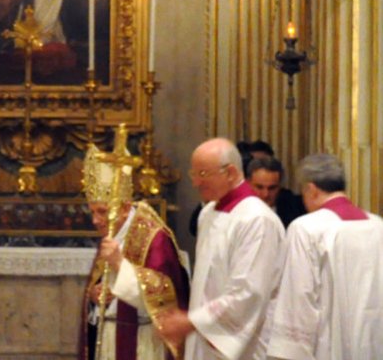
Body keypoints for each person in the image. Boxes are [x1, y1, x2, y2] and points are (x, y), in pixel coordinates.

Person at [159, 138, 285, 359]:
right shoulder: (208, 213)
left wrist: (193, 321)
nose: (196, 182)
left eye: (203, 174)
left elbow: (248, 291)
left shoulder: (256, 219)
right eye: (194, 174)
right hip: (203, 335)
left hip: (240, 344)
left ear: (230, 172)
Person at [78, 142, 190, 360]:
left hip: (142, 342)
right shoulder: (113, 233)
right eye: (92, 211)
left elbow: (165, 297)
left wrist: (120, 264)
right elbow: (100, 289)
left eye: (102, 212)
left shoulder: (154, 238)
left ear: (126, 207)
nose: (95, 220)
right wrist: (93, 296)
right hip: (110, 337)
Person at [267, 154, 383, 360]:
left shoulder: (306, 228)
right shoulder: (377, 225)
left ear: (310, 189)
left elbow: (299, 300)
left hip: (329, 349)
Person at [246, 156, 305, 229]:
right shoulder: (237, 212)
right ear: (248, 184)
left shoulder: (295, 211)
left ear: (280, 186)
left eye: (272, 188)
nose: (266, 194)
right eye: (259, 187)